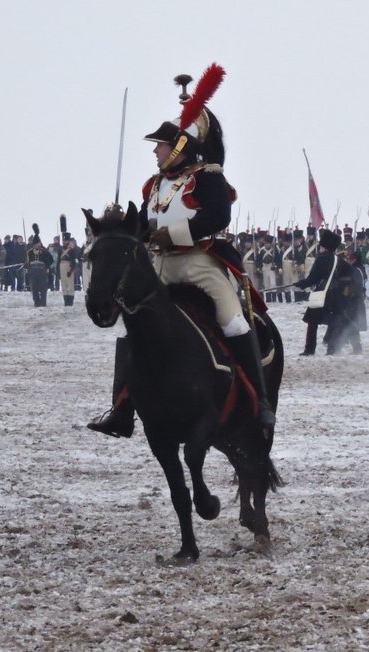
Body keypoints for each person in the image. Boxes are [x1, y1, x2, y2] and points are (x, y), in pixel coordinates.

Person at [89, 64, 275, 438]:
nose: (155, 151)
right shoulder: (153, 186)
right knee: (133, 323)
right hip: (160, 266)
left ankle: (260, 401)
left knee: (234, 320)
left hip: (201, 262)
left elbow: (216, 218)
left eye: (159, 144)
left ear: (179, 146)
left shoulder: (209, 177)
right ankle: (122, 409)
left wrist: (171, 236)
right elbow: (140, 226)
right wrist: (116, 224)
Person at [295, 228, 365, 355]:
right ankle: (332, 349)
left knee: (312, 323)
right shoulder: (339, 260)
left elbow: (312, 279)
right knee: (336, 322)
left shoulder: (321, 259)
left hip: (321, 294)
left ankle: (309, 349)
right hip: (336, 297)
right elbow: (352, 273)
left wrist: (301, 284)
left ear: (324, 247)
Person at [25, 226, 53, 307]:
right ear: (34, 245)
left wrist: (47, 268)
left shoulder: (44, 252)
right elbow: (27, 263)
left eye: (39, 244)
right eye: (36, 244)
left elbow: (50, 260)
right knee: (34, 289)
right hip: (33, 272)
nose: (38, 245)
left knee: (43, 288)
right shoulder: (29, 252)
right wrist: (28, 269)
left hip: (42, 272)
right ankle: (36, 302)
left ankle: (43, 303)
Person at [59, 234, 81, 306]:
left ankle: (70, 302)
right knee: (64, 285)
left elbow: (73, 261)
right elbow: (59, 261)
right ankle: (66, 301)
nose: (64, 242)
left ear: (68, 241)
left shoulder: (72, 250)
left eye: (65, 240)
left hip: (69, 267)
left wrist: (71, 270)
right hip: (62, 266)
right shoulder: (61, 249)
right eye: (63, 240)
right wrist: (58, 271)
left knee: (70, 285)